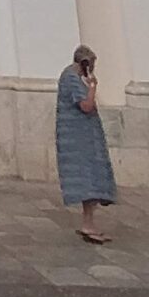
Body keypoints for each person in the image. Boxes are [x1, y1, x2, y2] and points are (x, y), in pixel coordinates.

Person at [55, 44, 116, 244]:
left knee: (92, 181)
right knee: (88, 179)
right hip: (79, 139)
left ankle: (89, 223)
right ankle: (88, 224)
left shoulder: (71, 76)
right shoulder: (72, 78)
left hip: (85, 137)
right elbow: (86, 106)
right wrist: (92, 86)